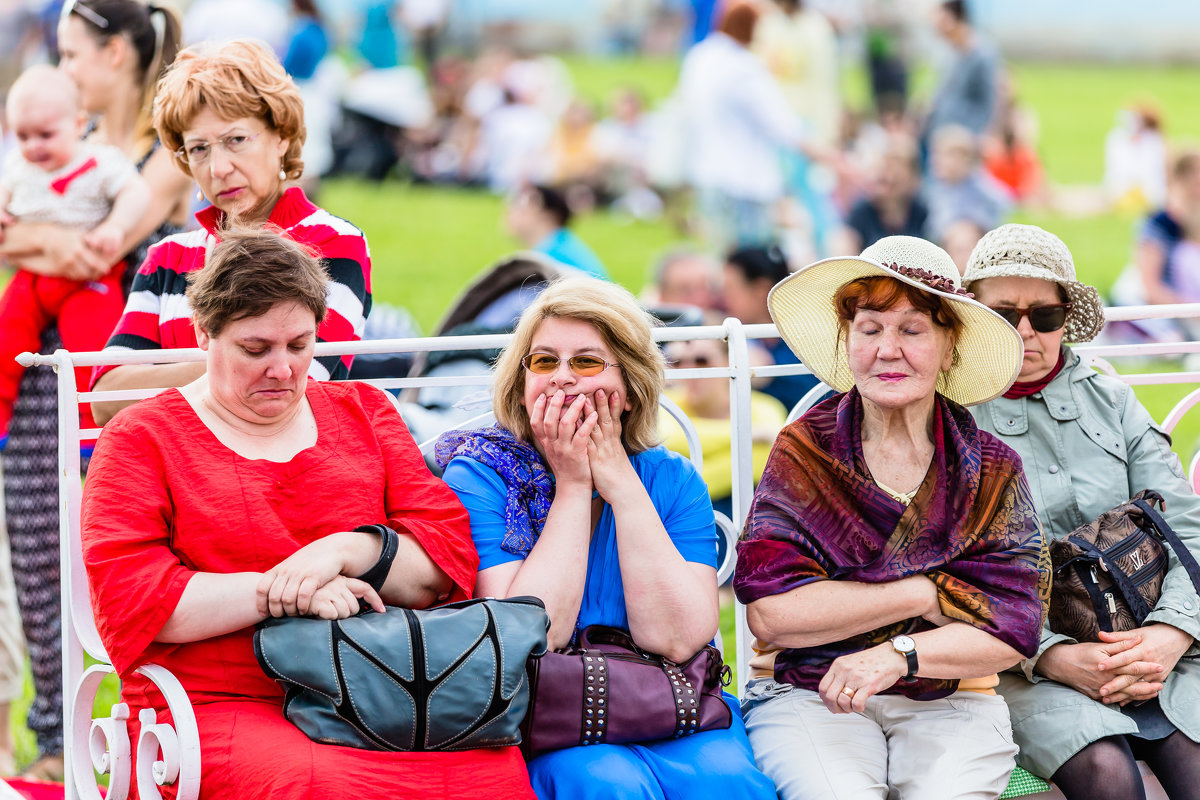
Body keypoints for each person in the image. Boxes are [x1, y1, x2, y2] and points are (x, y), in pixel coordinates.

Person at [80, 229, 535, 799]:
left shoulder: (364, 411)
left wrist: (351, 551)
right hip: (218, 700)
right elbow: (134, 599)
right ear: (203, 335)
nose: (283, 369)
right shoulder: (141, 437)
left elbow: (445, 563)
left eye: (300, 346)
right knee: (327, 786)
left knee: (491, 776)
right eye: (256, 349)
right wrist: (287, 591)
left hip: (377, 688)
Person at [434, 278, 776, 800]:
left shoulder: (672, 479)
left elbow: (681, 639)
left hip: (669, 701)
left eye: (587, 362)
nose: (562, 380)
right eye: (544, 362)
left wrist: (618, 482)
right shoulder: (480, 476)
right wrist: (574, 486)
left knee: (727, 782)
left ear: (630, 380)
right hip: (552, 715)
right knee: (604, 782)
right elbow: (531, 634)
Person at [735, 235, 1050, 799]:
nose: (887, 349)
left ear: (949, 346)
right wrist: (926, 595)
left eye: (912, 330)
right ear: (847, 339)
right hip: (810, 692)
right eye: (870, 328)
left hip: (954, 697)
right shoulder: (804, 451)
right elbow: (772, 615)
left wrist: (898, 655)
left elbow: (1013, 628)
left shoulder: (993, 468)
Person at [0, 0, 190, 778]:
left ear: (114, 56)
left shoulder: (162, 150)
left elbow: (94, 252)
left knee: (110, 559)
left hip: (116, 376)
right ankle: (52, 739)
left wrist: (44, 243)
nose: (64, 68)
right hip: (41, 376)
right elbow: (19, 237)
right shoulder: (57, 149)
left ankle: (125, 735)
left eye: (74, 54)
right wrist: (51, 241)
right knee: (38, 553)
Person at [964, 223, 1200, 800]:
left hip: (1161, 653)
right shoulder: (950, 421)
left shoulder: (1113, 401)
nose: (1025, 332)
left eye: (1043, 316)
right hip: (1024, 667)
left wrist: (1171, 632)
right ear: (973, 316)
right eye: (1004, 315)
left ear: (1066, 317)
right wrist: (1053, 657)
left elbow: (1188, 524)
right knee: (1106, 776)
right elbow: (951, 567)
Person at [91, 38, 372, 425]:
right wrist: (239, 367)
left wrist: (165, 380)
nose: (218, 167)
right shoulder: (169, 257)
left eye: (236, 140)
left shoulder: (333, 242)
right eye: (199, 149)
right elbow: (105, 397)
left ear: (282, 135)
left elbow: (302, 379)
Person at [0, 65, 150, 441]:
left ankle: (92, 428)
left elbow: (137, 194)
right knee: (6, 337)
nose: (35, 145)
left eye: (46, 135)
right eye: (23, 136)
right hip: (33, 278)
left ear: (79, 124)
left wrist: (114, 226)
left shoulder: (100, 161)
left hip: (89, 278)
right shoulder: (18, 167)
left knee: (93, 348)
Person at [660, 328, 787, 518]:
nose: (689, 370)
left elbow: (772, 463)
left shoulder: (765, 406)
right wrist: (751, 435)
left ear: (729, 362)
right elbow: (670, 438)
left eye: (702, 361)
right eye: (677, 362)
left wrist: (689, 478)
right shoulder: (664, 405)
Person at [722, 244, 820, 412]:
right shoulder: (742, 337)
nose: (724, 298)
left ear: (760, 289)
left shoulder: (811, 338)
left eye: (731, 289)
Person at [923, 0, 999, 145]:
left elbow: (990, 100)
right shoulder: (949, 53)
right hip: (941, 134)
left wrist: (980, 134)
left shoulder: (982, 54)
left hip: (966, 138)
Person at [505, 183, 608, 279]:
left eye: (523, 208)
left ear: (548, 216)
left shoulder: (549, 257)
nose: (511, 212)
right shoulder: (560, 245)